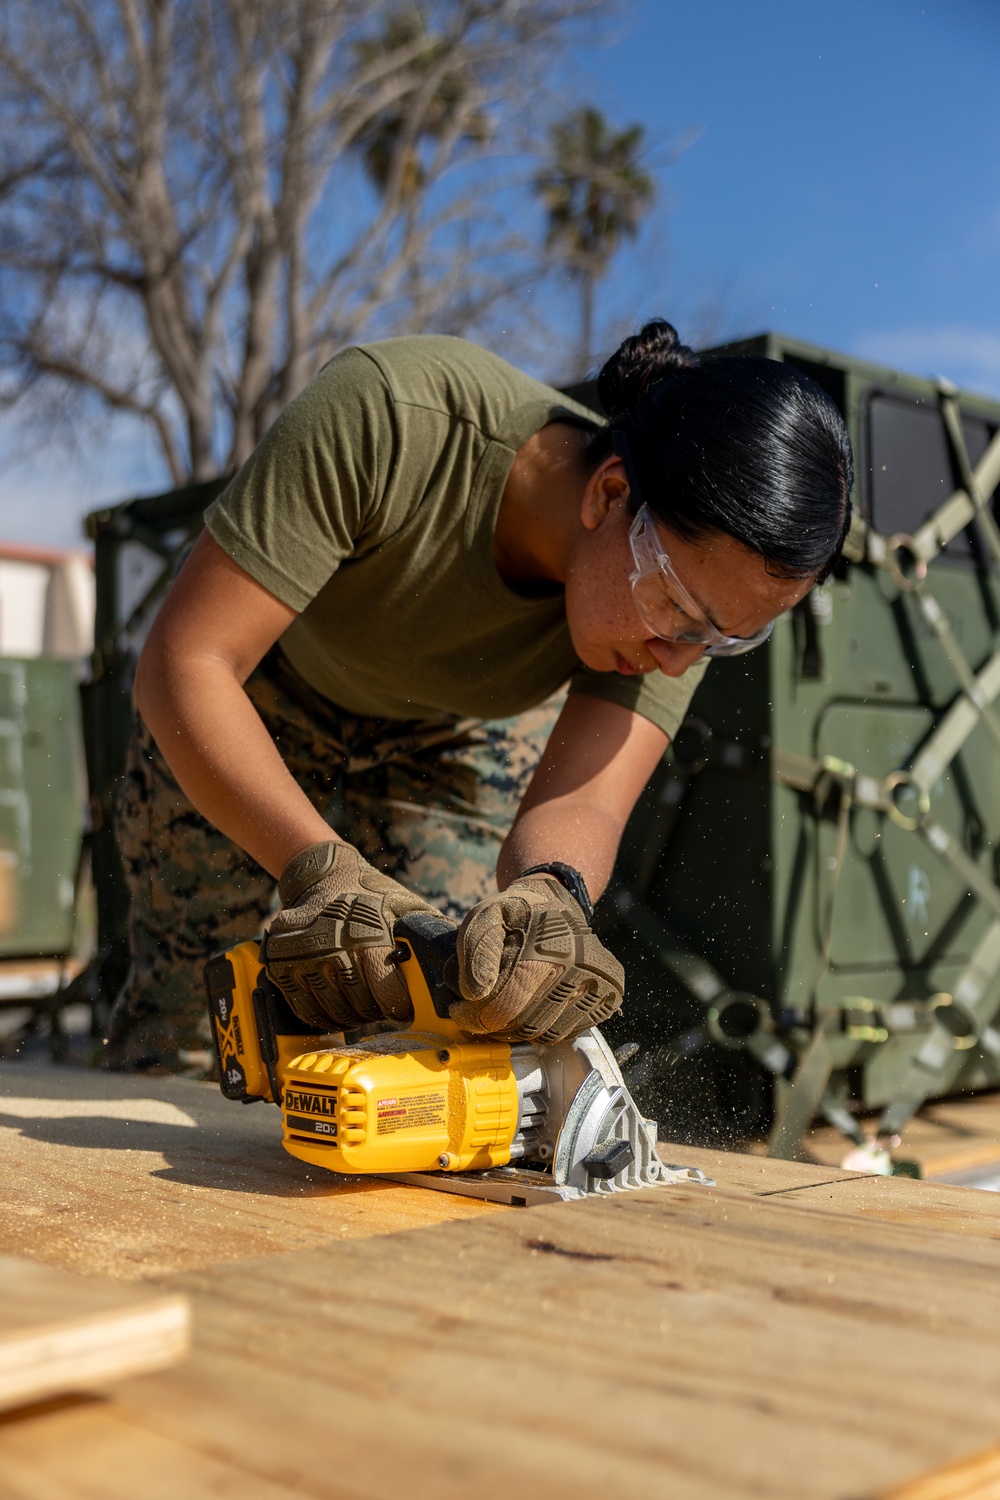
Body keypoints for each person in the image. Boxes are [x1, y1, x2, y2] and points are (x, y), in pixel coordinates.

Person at [107, 320, 853, 1073]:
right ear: (611, 493)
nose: (677, 661)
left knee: (441, 1029)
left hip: (451, 736)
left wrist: (552, 895)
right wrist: (317, 869)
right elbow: (186, 660)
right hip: (257, 699)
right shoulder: (394, 415)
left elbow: (584, 804)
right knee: (195, 1027)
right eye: (678, 610)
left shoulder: (672, 601)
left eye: (725, 640)